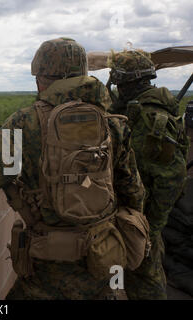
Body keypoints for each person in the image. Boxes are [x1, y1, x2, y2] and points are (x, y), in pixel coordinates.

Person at [0, 38, 146, 300]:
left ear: (41, 79)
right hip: (102, 255)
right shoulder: (113, 123)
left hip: (47, 265)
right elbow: (134, 192)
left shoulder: (25, 122)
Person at [108, 50, 189, 299]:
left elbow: (171, 179)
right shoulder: (133, 111)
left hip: (141, 220)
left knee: (146, 283)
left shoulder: (150, 117)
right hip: (127, 214)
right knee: (116, 276)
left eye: (120, 83)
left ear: (128, 82)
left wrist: (151, 228)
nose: (117, 89)